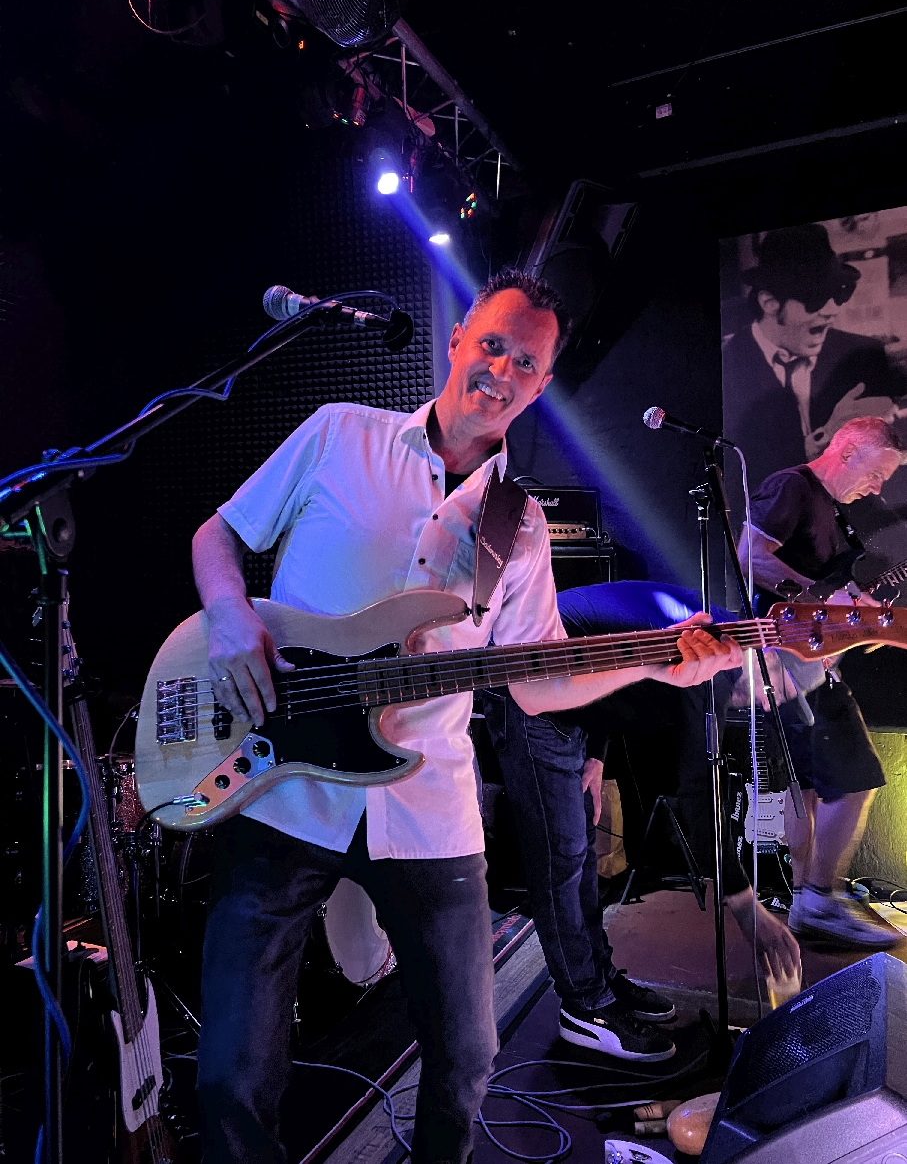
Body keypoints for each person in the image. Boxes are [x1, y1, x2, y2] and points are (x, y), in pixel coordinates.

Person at [189, 269, 743, 1164]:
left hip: (425, 810)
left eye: (526, 362)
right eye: (492, 345)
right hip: (279, 789)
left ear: (542, 384)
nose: (502, 370)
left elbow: (536, 682)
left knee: (465, 1062)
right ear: (456, 342)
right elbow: (217, 534)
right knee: (230, 1076)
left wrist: (652, 662)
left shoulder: (515, 525)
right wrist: (227, 614)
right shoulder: (338, 432)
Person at [478, 581, 800, 1066]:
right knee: (561, 857)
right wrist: (745, 907)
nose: (765, 708)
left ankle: (599, 980)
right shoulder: (711, 657)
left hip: (570, 694)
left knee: (579, 852)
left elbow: (607, 660)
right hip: (530, 681)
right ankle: (585, 1007)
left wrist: (594, 754)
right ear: (768, 660)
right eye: (777, 694)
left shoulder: (720, 639)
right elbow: (697, 792)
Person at [738, 415, 906, 948]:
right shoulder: (792, 486)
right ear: (848, 451)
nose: (877, 488)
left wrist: (855, 620)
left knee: (807, 788)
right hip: (786, 665)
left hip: (796, 666)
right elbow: (748, 556)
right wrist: (818, 604)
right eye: (876, 473)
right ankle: (818, 899)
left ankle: (808, 900)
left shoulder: (832, 510)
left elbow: (827, 595)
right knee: (856, 779)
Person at [722, 224, 907, 490]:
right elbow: (738, 475)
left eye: (838, 293)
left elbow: (884, 464)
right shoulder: (728, 368)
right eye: (815, 297)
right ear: (769, 303)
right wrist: (824, 441)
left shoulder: (862, 356)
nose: (832, 309)